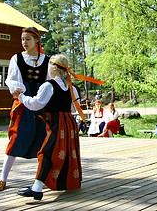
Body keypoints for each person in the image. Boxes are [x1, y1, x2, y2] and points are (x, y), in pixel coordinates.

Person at [15, 54, 103, 200]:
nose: (47, 68)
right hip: (69, 124)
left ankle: (37, 188)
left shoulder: (49, 85)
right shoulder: (71, 87)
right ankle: (66, 182)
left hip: (57, 124)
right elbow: (74, 108)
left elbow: (36, 104)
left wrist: (21, 97)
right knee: (67, 153)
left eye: (49, 65)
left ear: (55, 67)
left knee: (46, 153)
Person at [0, 27, 50, 192]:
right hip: (22, 102)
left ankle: (42, 178)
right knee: (16, 137)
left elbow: (49, 82)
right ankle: (2, 179)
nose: (24, 42)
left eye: (28, 39)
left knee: (44, 138)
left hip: (41, 103)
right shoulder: (16, 58)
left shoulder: (46, 60)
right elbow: (11, 80)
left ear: (36, 41)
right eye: (23, 39)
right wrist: (17, 90)